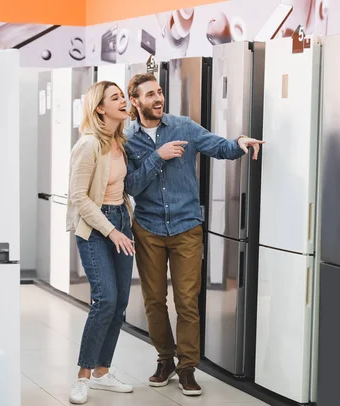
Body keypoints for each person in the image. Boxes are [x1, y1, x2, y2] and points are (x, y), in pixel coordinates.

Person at [124, 73, 264, 396]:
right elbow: (129, 186)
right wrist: (158, 157)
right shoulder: (128, 140)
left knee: (187, 301)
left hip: (187, 226)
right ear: (135, 102)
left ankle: (188, 367)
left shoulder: (183, 126)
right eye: (150, 95)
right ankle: (165, 358)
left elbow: (218, 146)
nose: (158, 98)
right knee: (154, 301)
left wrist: (239, 143)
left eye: (159, 92)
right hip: (148, 229)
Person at [66, 80, 137, 404]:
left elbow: (123, 189)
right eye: (115, 98)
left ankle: (102, 371)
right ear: (99, 108)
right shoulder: (89, 144)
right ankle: (83, 375)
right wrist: (111, 230)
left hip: (121, 221)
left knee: (120, 303)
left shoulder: (121, 142)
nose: (123, 100)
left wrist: (125, 222)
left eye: (123, 96)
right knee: (105, 299)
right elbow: (79, 197)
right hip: (96, 229)